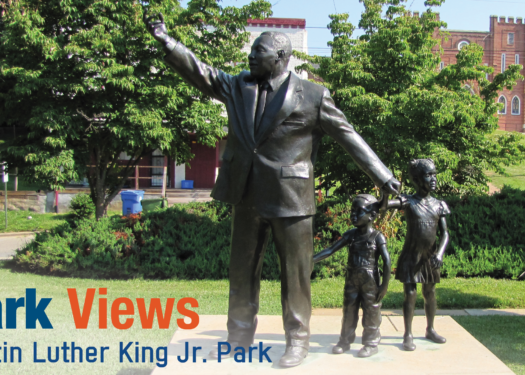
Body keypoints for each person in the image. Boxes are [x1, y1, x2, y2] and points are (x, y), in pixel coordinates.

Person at [143, 13, 401, 367]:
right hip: (246, 194)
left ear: (280, 58)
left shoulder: (312, 95)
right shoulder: (238, 86)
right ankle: (238, 337)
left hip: (291, 200)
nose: (250, 56)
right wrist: (166, 40)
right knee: (241, 272)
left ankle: (297, 341)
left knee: (294, 275)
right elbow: (201, 73)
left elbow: (348, 136)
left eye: (257, 52)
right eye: (251, 51)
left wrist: (383, 175)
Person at [313, 194, 391, 358]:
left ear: (372, 215)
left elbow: (387, 261)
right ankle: (344, 340)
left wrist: (384, 286)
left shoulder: (377, 237)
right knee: (349, 310)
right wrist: (311, 260)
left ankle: (371, 342)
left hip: (370, 280)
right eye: (352, 211)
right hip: (352, 279)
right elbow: (331, 250)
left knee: (371, 311)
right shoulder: (351, 235)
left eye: (359, 211)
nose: (353, 215)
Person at [384, 159, 450, 351]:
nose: (433, 179)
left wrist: (440, 253)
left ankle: (430, 329)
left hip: (430, 257)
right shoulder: (408, 201)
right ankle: (408, 334)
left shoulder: (439, 205)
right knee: (410, 294)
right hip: (411, 257)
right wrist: (385, 191)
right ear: (416, 179)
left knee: (430, 292)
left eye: (434, 174)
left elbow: (445, 233)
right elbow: (385, 205)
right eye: (428, 175)